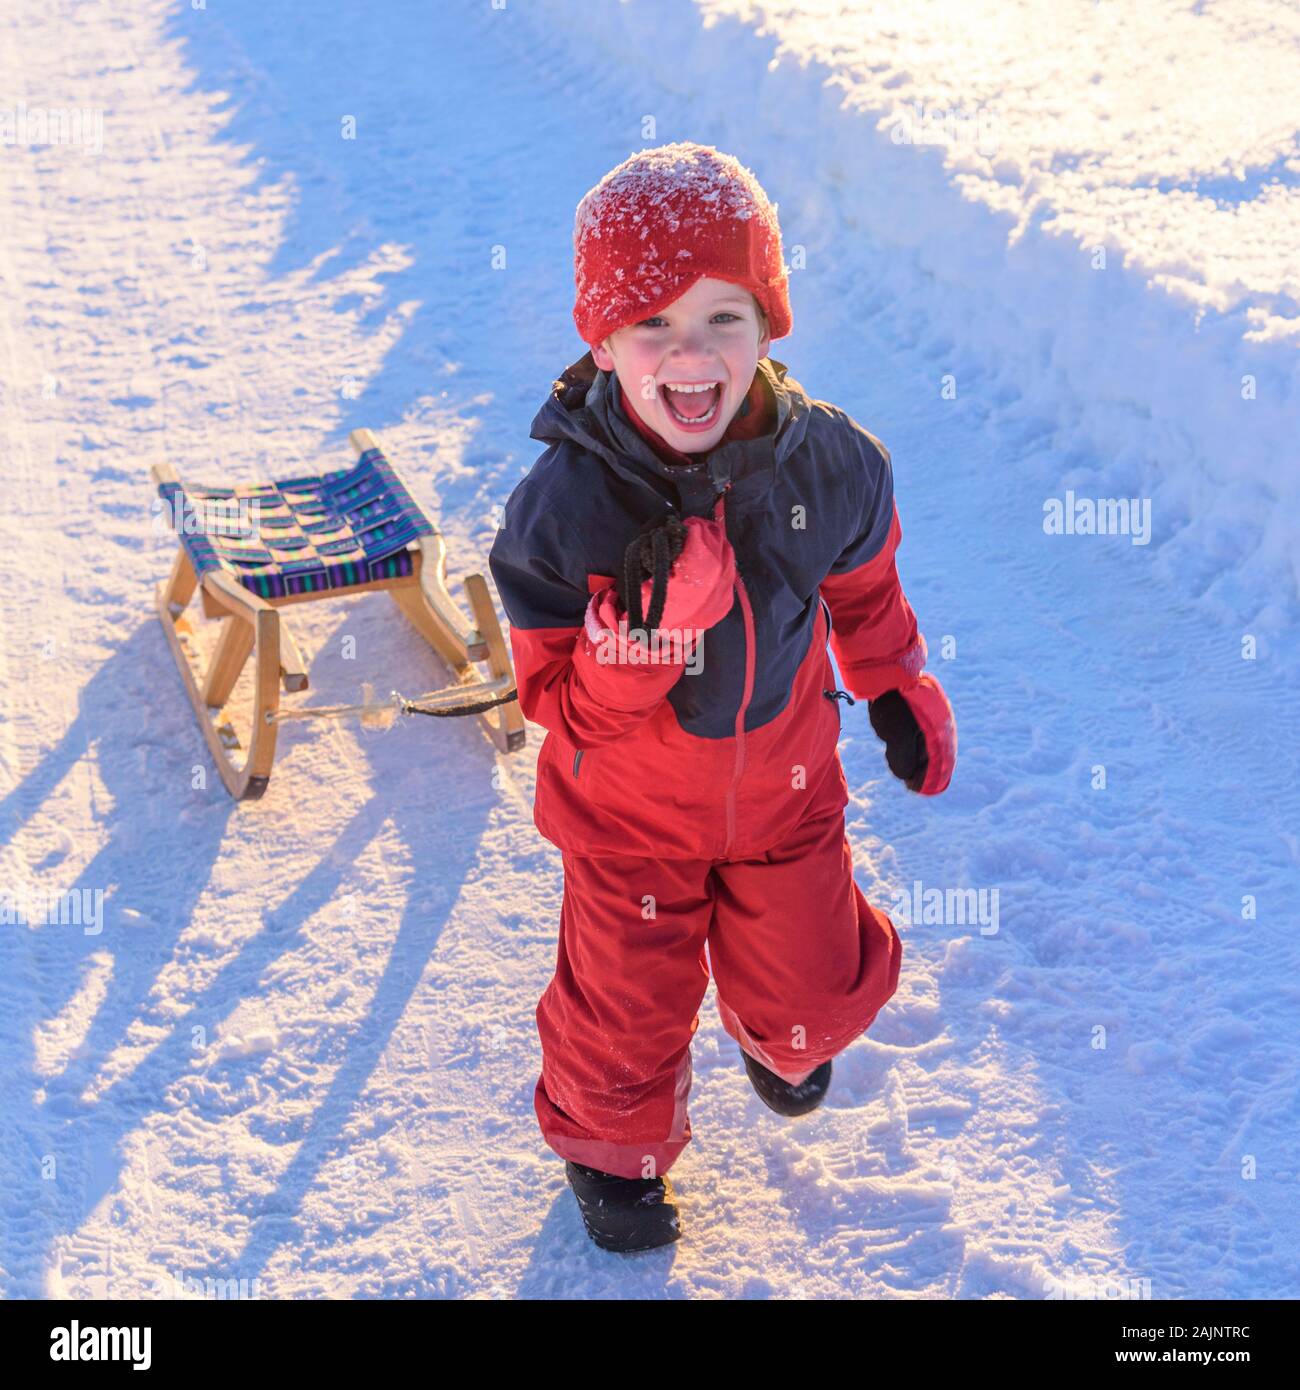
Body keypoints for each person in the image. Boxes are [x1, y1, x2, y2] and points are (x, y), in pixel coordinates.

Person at [488, 142, 956, 1253]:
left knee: (811, 1005)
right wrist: (647, 639)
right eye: (651, 324)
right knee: (623, 1012)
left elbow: (861, 582)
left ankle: (779, 1028)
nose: (689, 356)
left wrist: (891, 681)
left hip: (786, 795)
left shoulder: (828, 463)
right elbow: (557, 704)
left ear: (769, 323)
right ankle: (613, 1156)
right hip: (631, 823)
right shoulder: (561, 512)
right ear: (599, 341)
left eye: (723, 319)